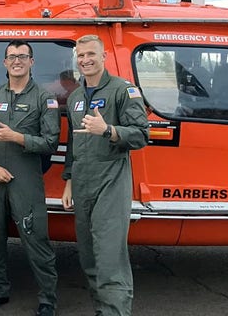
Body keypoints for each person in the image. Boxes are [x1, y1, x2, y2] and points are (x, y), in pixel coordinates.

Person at [61, 35, 149, 316]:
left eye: (91, 54)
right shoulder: (75, 96)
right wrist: (69, 182)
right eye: (81, 55)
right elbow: (73, 144)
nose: (85, 60)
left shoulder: (123, 91)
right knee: (88, 257)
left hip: (111, 182)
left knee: (109, 257)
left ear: (104, 57)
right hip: (83, 183)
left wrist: (109, 130)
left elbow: (141, 135)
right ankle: (103, 310)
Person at [0, 40, 59, 316]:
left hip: (26, 181)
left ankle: (48, 300)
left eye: (22, 56)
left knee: (36, 239)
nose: (17, 61)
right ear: (5, 62)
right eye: (11, 56)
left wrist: (17, 137)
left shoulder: (44, 99)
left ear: (32, 62)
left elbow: (50, 142)